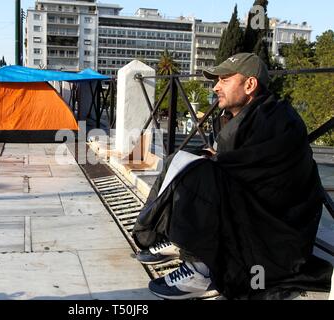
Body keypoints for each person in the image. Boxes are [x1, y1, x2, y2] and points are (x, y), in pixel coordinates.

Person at [133, 53, 332, 300]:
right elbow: (243, 168)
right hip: (255, 217)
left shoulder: (277, 121)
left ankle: (202, 272)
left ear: (250, 85)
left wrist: (213, 161)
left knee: (199, 173)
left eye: (225, 79)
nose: (216, 86)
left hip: (276, 237)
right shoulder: (247, 117)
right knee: (185, 159)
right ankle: (183, 240)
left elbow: (256, 177)